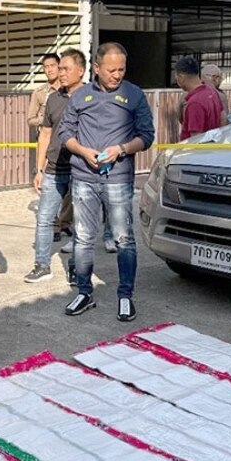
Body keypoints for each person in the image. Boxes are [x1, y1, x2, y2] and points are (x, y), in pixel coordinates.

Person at [58, 42, 154, 321]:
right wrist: (82, 151)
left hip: (118, 178)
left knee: (124, 239)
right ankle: (84, 292)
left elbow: (147, 136)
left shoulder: (134, 95)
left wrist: (121, 150)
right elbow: (65, 132)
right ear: (96, 68)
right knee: (84, 239)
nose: (117, 75)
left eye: (121, 69)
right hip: (84, 178)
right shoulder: (80, 96)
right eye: (111, 70)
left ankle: (125, 296)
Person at [24, 49, 87, 284]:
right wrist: (38, 169)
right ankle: (42, 265)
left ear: (80, 71)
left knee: (81, 220)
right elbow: (45, 134)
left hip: (82, 169)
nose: (60, 73)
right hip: (53, 169)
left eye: (65, 69)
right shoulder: (53, 98)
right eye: (59, 69)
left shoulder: (91, 97)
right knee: (44, 218)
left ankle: (76, 269)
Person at [175, 57, 224, 141]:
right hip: (213, 149)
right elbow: (223, 119)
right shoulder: (212, 92)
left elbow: (196, 140)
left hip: (196, 152)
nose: (176, 80)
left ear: (181, 77)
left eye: (176, 77)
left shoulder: (195, 103)